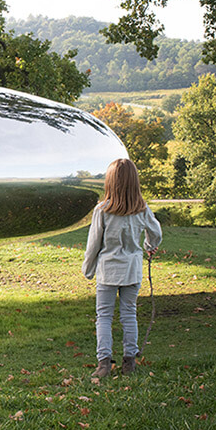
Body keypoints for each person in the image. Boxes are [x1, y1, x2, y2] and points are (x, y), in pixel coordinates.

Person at [82, 158, 162, 377]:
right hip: (132, 270)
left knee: (104, 316)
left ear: (110, 182)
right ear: (134, 182)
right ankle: (129, 362)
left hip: (107, 271)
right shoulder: (142, 209)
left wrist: (88, 270)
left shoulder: (102, 210)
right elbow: (156, 233)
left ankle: (104, 364)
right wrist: (149, 245)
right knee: (129, 314)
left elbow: (93, 245)